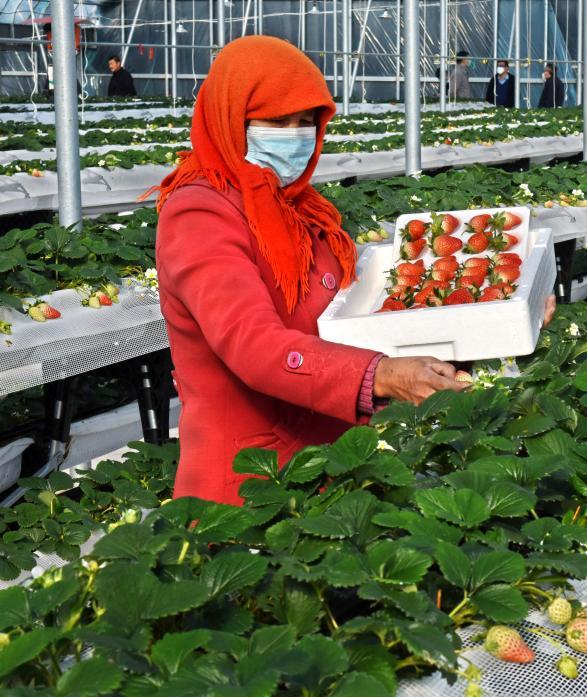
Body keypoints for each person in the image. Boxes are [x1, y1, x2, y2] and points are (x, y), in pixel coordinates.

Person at [155, 37, 555, 506]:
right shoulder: (199, 214)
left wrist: (492, 324)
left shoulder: (301, 209)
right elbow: (253, 344)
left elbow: (355, 322)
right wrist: (380, 375)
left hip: (331, 465)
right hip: (250, 484)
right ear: (229, 117)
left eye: (306, 121)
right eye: (276, 122)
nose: (295, 136)